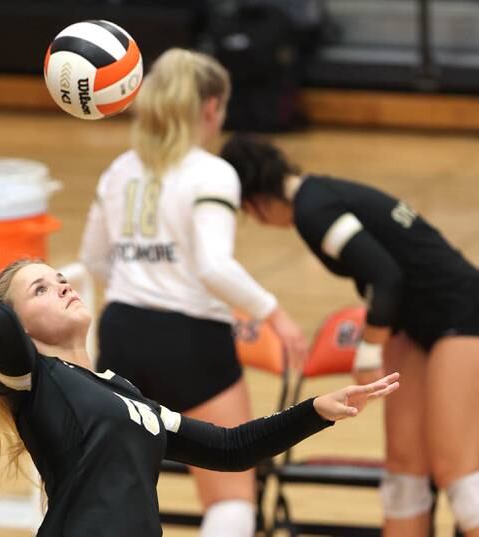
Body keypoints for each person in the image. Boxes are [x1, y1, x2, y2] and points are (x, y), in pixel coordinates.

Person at [0, 259, 399, 537]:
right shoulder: (34, 380)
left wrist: (315, 412)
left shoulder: (125, 394)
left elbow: (229, 449)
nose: (61, 285)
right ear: (21, 327)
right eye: (40, 290)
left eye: (57, 279)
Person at [219, 134, 479, 537]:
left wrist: (369, 350)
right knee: (404, 473)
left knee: (458, 475)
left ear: (252, 201)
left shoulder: (314, 209)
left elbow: (385, 277)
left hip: (469, 317)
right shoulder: (319, 197)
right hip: (418, 325)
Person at [78, 47, 308, 536]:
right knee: (230, 492)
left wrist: (140, 277)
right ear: (210, 108)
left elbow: (94, 259)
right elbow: (213, 267)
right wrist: (277, 316)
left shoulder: (120, 169)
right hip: (190, 339)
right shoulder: (211, 172)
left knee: (118, 488)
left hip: (120, 332)